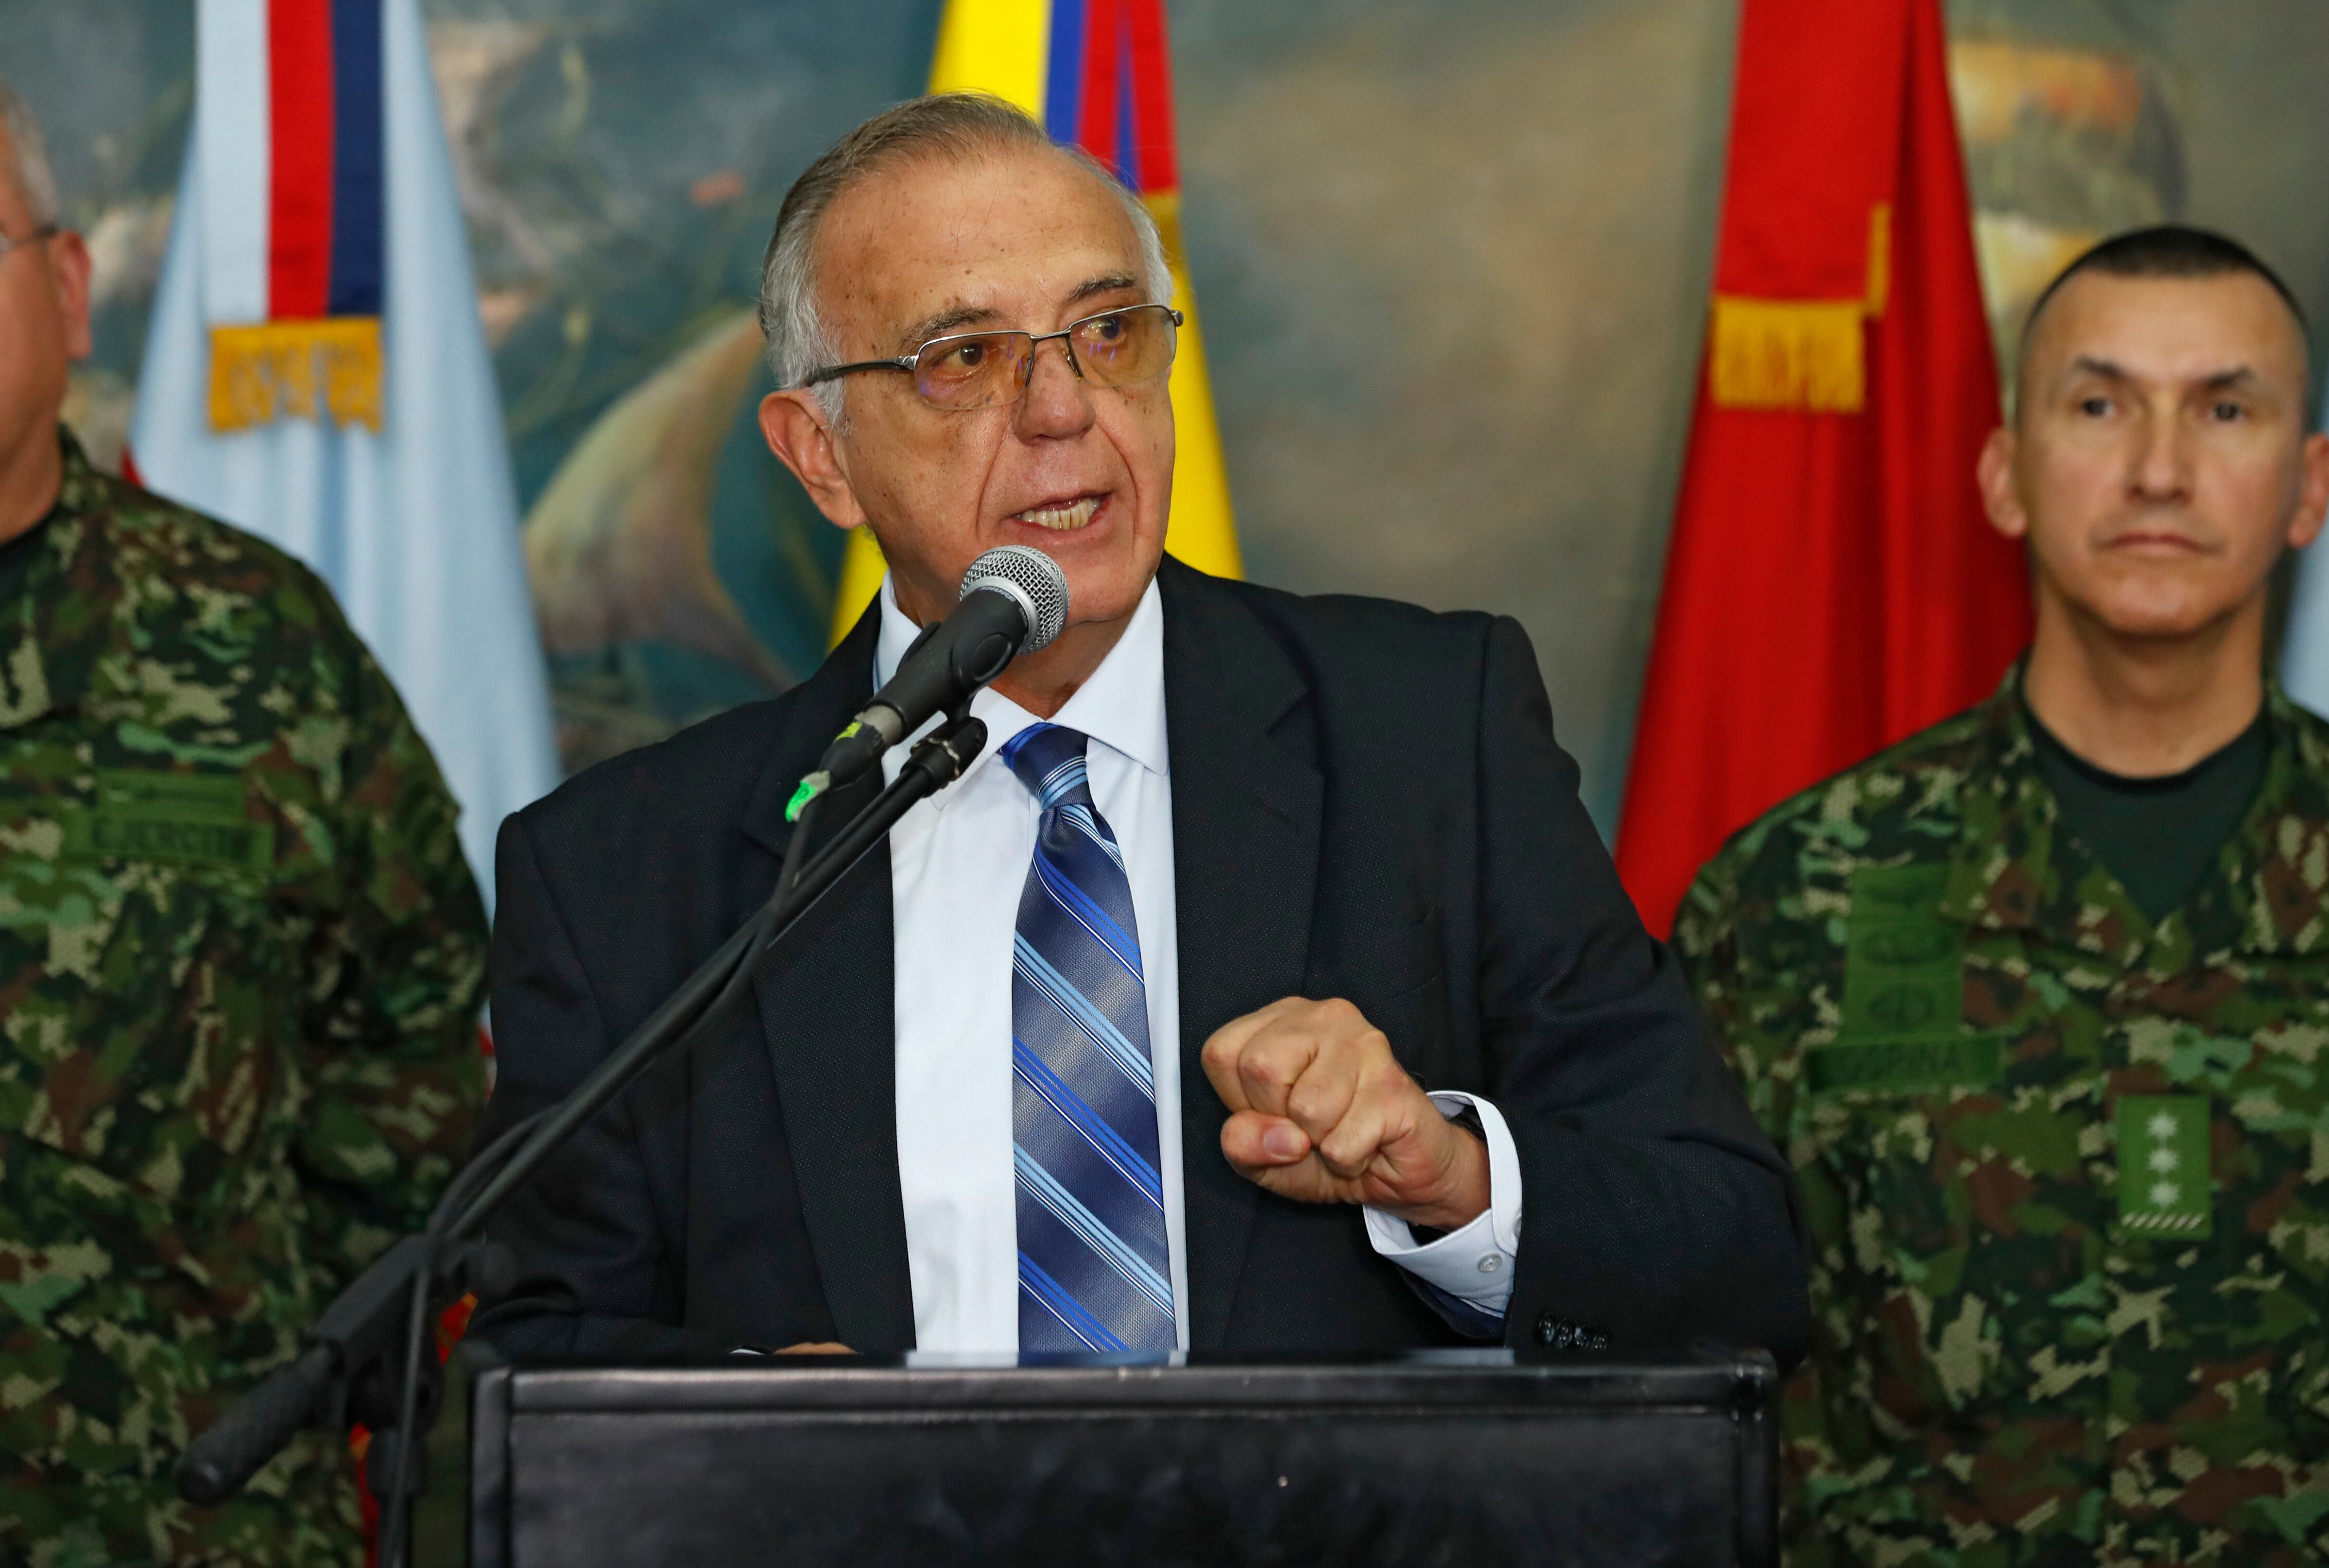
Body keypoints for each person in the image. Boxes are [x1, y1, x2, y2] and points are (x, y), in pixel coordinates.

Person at [476, 92, 1806, 1369]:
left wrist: (1452, 1177)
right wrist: (743, 1426)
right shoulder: (622, 872)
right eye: (963, 359)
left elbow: (1731, 1256)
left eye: (1108, 333)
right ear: (819, 455)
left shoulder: (1425, 734)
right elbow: (528, 1370)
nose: (1062, 410)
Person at [0, 40, 488, 1565]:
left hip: (181, 1526)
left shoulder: (255, 645)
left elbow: (418, 1070)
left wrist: (262, 1378)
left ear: (63, 290)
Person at [1679, 225, 2329, 1565]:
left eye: (2224, 408)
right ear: (2007, 474)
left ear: (2311, 486)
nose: (2161, 469)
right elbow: (1689, 1373)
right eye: (2100, 403)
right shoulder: (1791, 901)